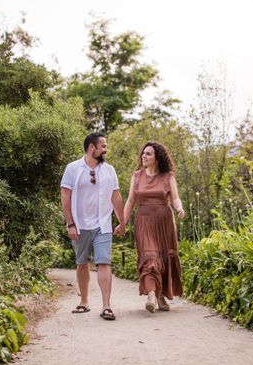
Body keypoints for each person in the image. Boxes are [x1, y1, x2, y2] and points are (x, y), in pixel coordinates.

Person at [60, 132, 125, 321]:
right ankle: (84, 301)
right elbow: (65, 197)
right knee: (82, 263)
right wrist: (70, 223)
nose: (106, 149)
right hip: (79, 225)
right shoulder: (72, 168)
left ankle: (106, 306)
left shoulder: (109, 170)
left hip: (103, 224)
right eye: (103, 146)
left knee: (104, 261)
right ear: (92, 147)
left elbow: (116, 197)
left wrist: (122, 222)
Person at [122, 142, 184, 313]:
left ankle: (161, 295)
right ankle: (151, 295)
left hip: (164, 222)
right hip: (144, 222)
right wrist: (122, 222)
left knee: (163, 258)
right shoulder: (136, 176)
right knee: (150, 259)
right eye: (143, 153)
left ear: (157, 157)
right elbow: (130, 201)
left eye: (148, 154)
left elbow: (175, 198)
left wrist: (180, 208)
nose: (144, 156)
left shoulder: (168, 176)